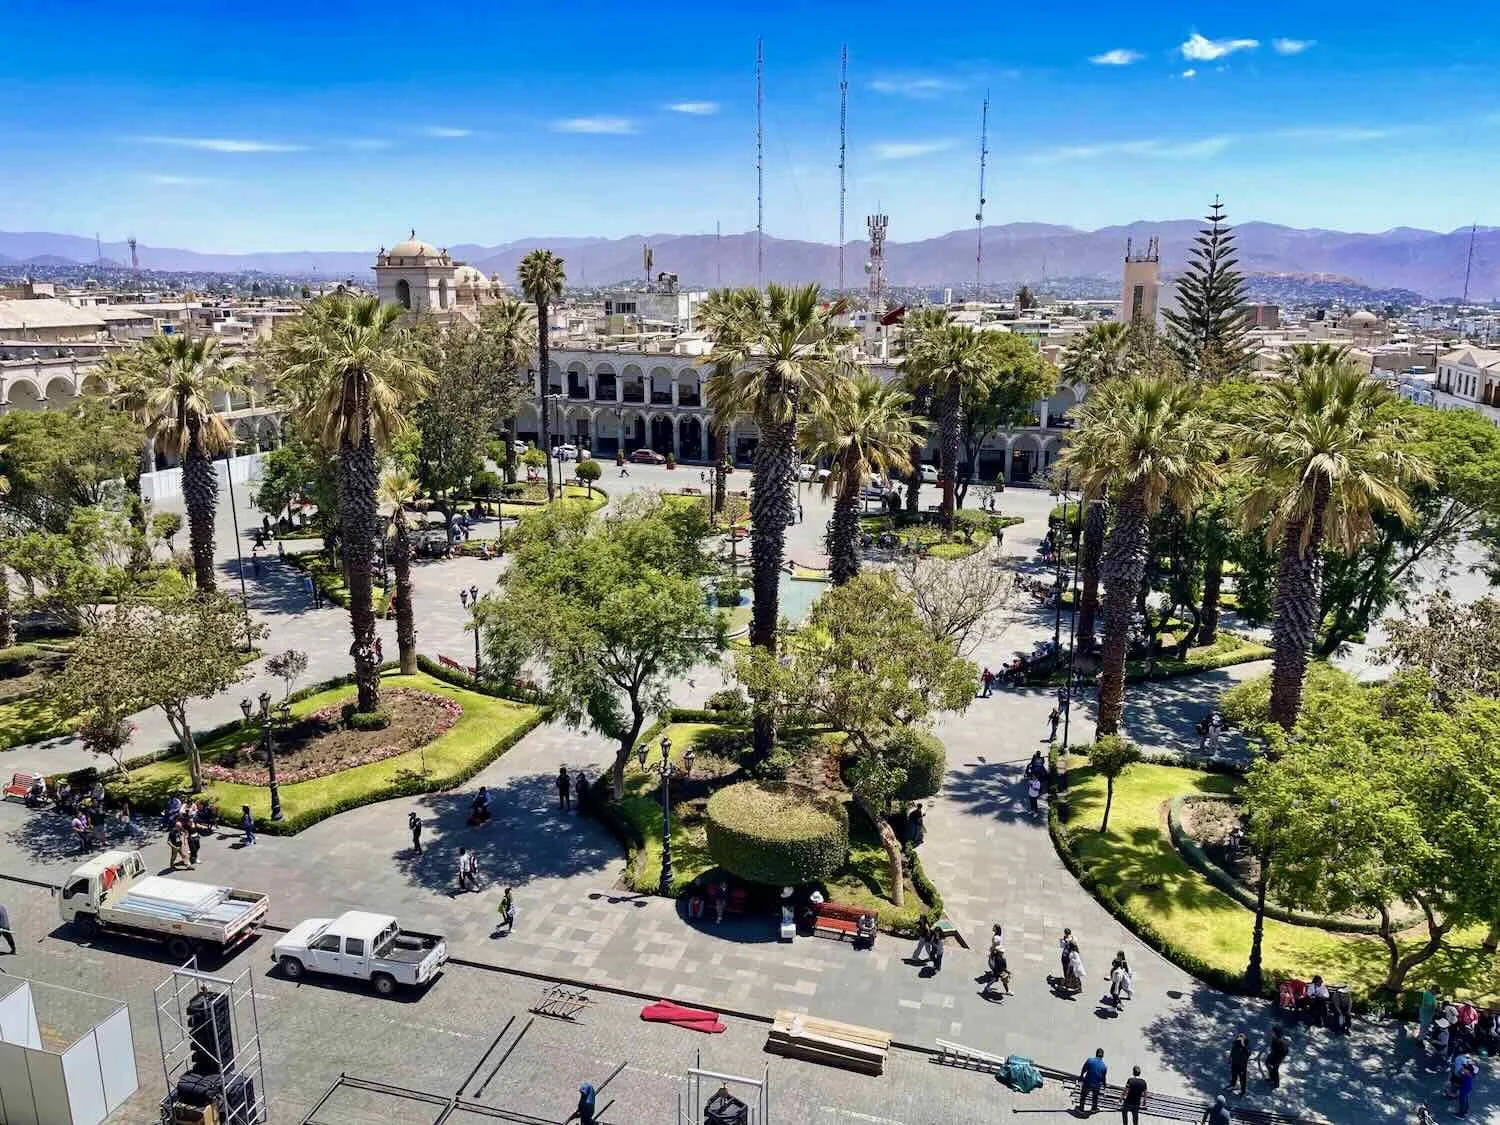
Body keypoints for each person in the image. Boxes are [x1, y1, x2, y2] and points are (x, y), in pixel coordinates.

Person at [983, 924, 1010, 996]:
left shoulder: (1000, 956)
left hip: (999, 970)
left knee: (999, 979)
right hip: (998, 970)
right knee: (996, 979)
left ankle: (1007, 991)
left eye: (994, 927)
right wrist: (1007, 971)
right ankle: (987, 987)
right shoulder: (999, 957)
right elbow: (1001, 966)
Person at [1078, 1049, 1107, 1115]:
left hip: (1088, 1082)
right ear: (1102, 1056)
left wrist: (1081, 1076)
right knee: (1095, 1097)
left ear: (1096, 1054)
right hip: (1097, 1085)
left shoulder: (1090, 1060)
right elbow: (1103, 1078)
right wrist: (1104, 1085)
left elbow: (1084, 1069)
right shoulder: (1104, 1066)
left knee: (1083, 1095)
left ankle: (1081, 1109)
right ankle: (1094, 1109)